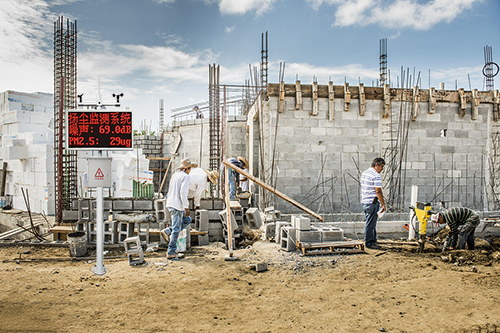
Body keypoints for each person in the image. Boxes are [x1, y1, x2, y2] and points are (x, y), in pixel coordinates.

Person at [161, 158, 197, 259]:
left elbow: (170, 189)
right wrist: (186, 207)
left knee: (187, 220)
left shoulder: (175, 175)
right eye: (190, 169)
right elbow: (183, 192)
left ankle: (168, 231)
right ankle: (171, 252)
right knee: (176, 229)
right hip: (177, 205)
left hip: (171, 203)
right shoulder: (185, 177)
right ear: (187, 169)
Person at [360, 157, 386, 249]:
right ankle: (369, 242)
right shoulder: (376, 176)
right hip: (372, 202)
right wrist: (383, 204)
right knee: (371, 223)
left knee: (371, 222)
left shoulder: (365, 173)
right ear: (376, 165)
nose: (382, 169)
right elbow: (378, 191)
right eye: (381, 166)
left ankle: (373, 240)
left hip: (365, 201)